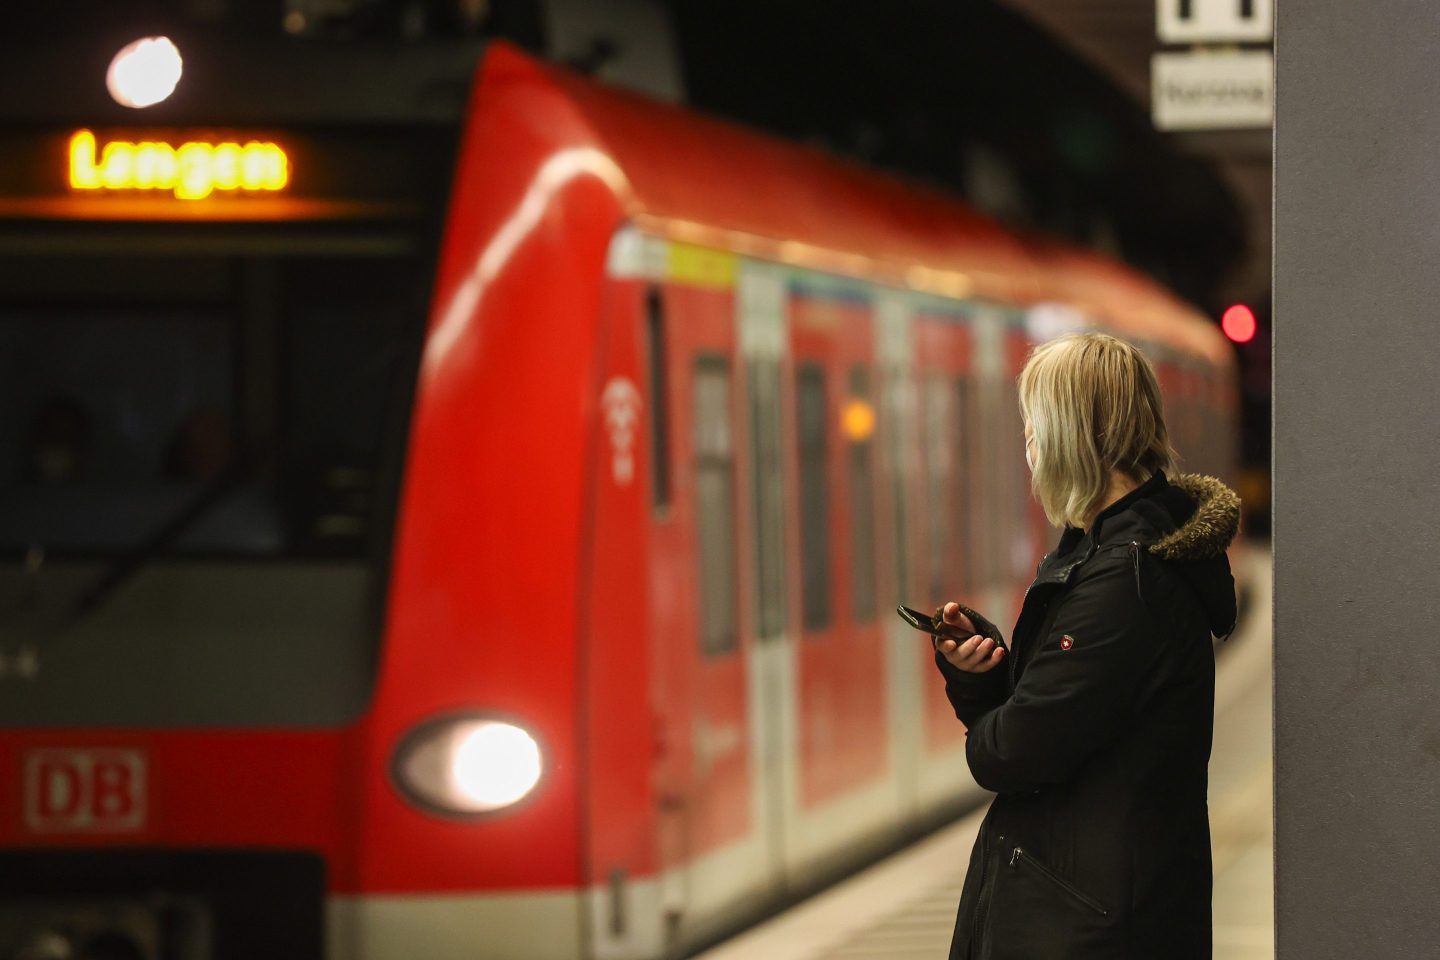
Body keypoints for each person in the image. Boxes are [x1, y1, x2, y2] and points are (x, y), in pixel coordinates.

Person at [932, 332, 1240, 960]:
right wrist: (983, 675)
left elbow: (1012, 753)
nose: (1028, 443)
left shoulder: (1125, 581)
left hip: (1086, 931)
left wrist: (988, 703)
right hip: (1093, 917)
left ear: (1075, 435)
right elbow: (1064, 721)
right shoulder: (1112, 559)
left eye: (1036, 424)